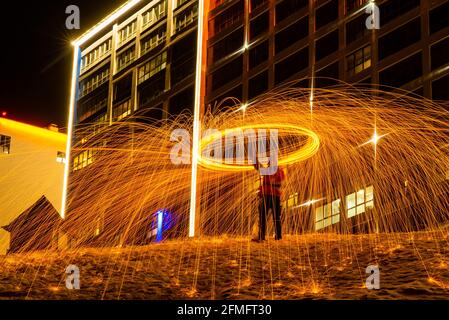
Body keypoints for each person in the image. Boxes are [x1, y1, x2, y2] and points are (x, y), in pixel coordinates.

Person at [253, 161, 285, 241]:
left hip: (266, 195)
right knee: (276, 217)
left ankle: (261, 236)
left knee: (263, 217)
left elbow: (258, 167)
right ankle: (278, 236)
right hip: (275, 196)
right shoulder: (279, 171)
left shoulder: (268, 170)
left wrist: (255, 160)